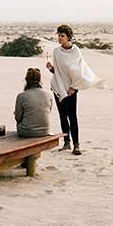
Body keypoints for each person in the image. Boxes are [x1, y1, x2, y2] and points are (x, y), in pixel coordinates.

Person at [46, 24, 106, 155]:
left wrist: (73, 87)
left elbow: (79, 71)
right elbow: (59, 72)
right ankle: (66, 142)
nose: (60, 38)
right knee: (62, 116)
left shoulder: (75, 51)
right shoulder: (56, 51)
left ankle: (76, 145)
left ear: (69, 37)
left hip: (71, 88)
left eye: (62, 36)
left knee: (72, 116)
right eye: (59, 35)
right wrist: (51, 68)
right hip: (58, 87)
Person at [14, 68, 53, 137]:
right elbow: (48, 112)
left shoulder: (21, 96)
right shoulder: (48, 94)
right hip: (45, 130)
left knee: (20, 122)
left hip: (27, 131)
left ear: (26, 80)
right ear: (39, 80)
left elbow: (18, 118)